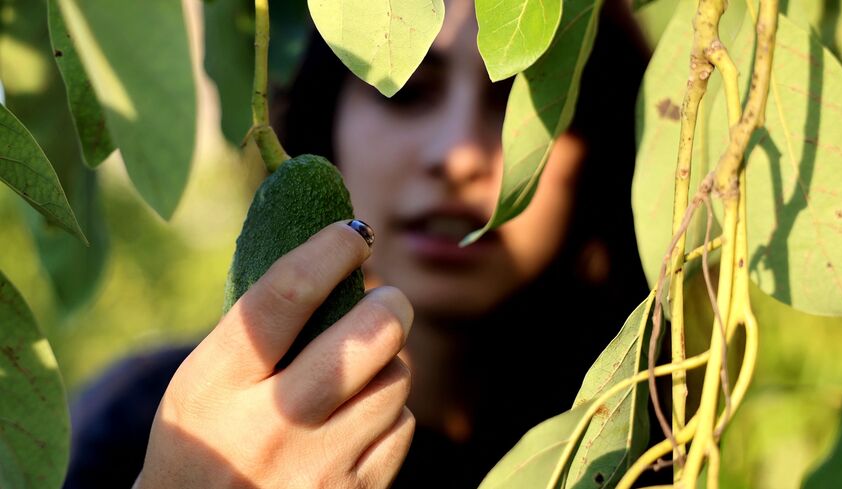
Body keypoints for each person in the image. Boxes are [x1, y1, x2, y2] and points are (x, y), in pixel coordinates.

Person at [63, 0, 654, 487]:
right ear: (328, 119)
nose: (459, 157)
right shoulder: (138, 427)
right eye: (409, 94)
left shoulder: (663, 436)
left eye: (517, 107)